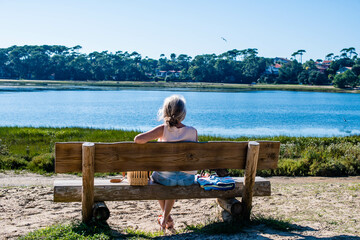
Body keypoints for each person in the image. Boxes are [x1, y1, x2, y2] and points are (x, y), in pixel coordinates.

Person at [134, 95, 198, 231]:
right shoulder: (193, 131)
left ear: (165, 112)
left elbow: (138, 139)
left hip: (164, 179)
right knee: (174, 178)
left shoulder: (162, 130)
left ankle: (165, 217)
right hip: (187, 179)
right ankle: (166, 218)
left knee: (159, 178)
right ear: (183, 113)